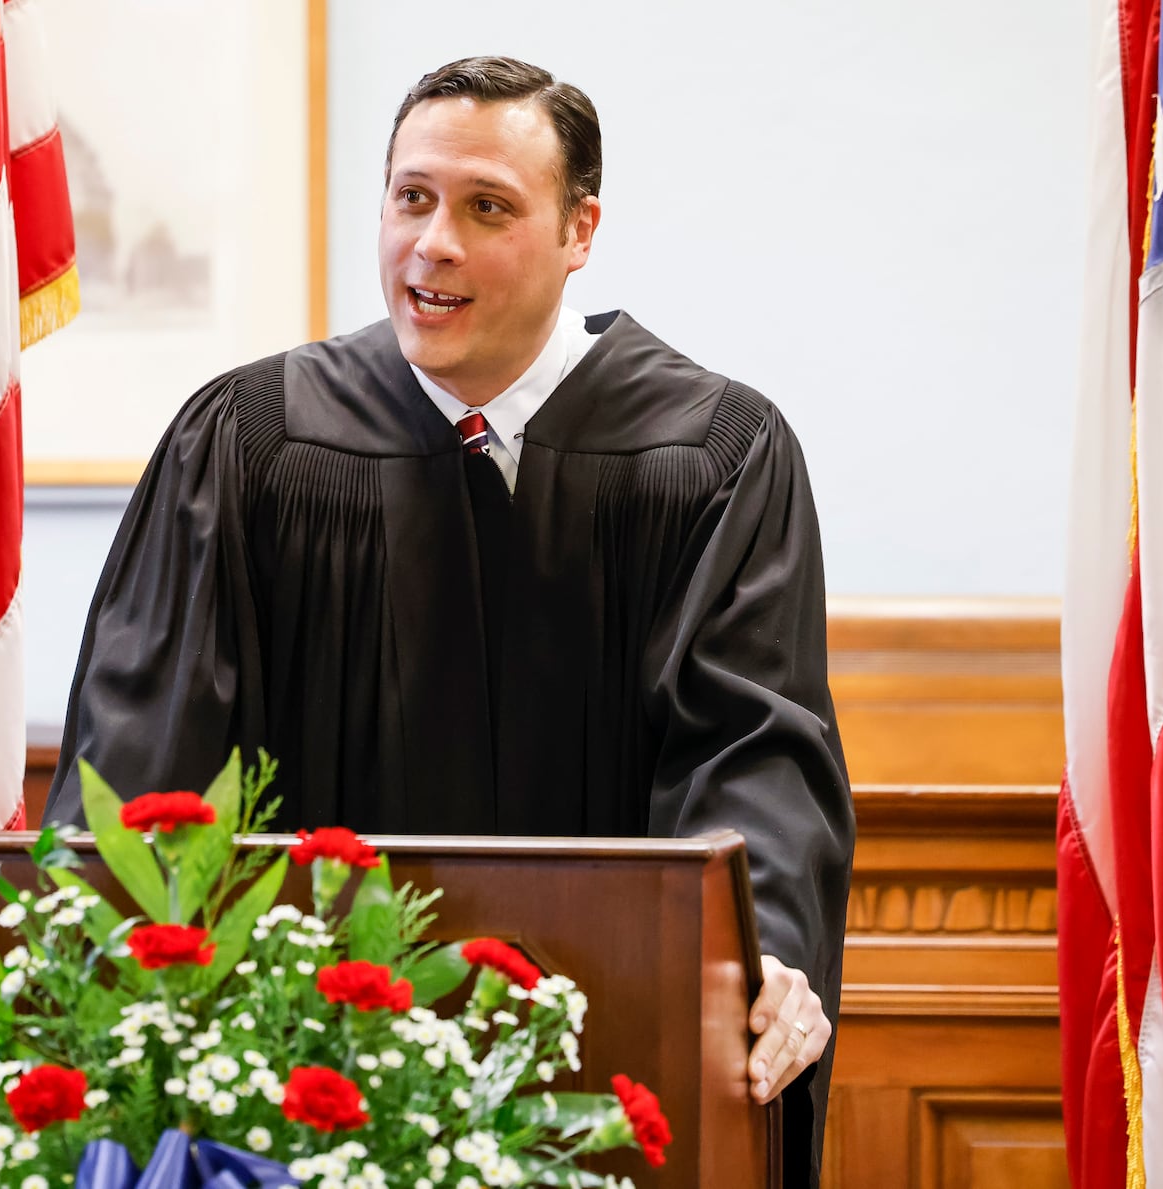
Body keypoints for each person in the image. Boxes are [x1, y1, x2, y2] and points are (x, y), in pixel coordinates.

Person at [45, 56, 854, 1187]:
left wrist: (755, 956)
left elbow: (751, 748)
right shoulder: (251, 446)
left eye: (487, 208)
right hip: (297, 1086)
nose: (433, 245)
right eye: (411, 198)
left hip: (614, 1075)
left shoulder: (713, 455)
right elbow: (146, 765)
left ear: (580, 230)